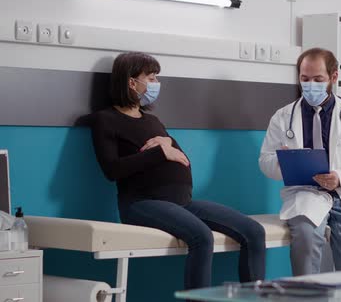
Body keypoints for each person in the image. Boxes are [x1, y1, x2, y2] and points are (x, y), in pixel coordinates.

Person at [90, 52, 266, 289]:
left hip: (182, 202)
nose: (156, 83)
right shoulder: (105, 120)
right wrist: (161, 151)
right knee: (202, 237)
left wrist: (167, 146)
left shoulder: (153, 121)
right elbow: (112, 170)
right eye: (151, 77)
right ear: (132, 82)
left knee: (254, 231)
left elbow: (182, 159)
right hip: (140, 203)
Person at [259, 48, 341, 275]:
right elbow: (265, 160)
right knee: (305, 242)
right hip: (305, 194)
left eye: (318, 79)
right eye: (305, 79)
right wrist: (284, 162)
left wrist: (340, 178)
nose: (310, 85)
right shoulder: (283, 116)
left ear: (333, 77)